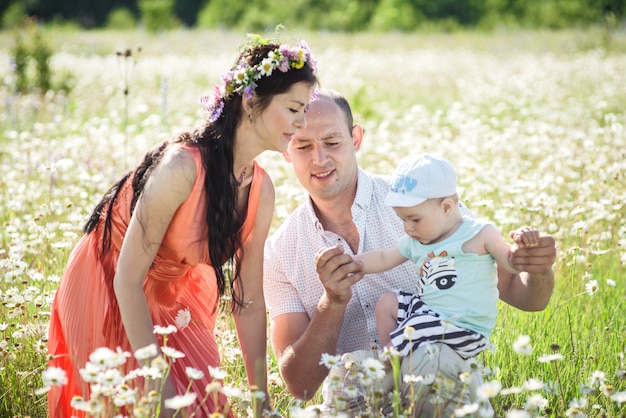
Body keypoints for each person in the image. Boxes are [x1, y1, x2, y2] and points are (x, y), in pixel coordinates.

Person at [47, 34, 318, 417]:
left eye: (305, 109)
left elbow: (250, 303)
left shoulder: (261, 190)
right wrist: (159, 386)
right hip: (110, 283)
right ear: (251, 100)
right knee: (137, 405)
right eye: (294, 108)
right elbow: (127, 279)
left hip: (173, 292)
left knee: (206, 407)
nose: (302, 122)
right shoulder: (181, 168)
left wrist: (262, 404)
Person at [263, 89, 556, 415]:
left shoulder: (421, 201)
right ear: (286, 149)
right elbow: (300, 386)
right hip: (358, 392)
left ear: (356, 137)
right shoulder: (279, 252)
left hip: (436, 376)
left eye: (332, 142)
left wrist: (537, 268)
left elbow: (527, 297)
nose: (319, 159)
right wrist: (331, 302)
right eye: (303, 146)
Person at [352, 153, 540, 361]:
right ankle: (397, 359)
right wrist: (353, 263)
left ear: (447, 207)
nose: (408, 228)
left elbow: (512, 263)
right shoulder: (416, 242)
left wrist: (523, 246)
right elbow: (383, 258)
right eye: (402, 220)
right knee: (388, 302)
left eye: (414, 219)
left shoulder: (480, 234)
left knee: (416, 327)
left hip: (465, 328)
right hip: (429, 318)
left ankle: (385, 362)